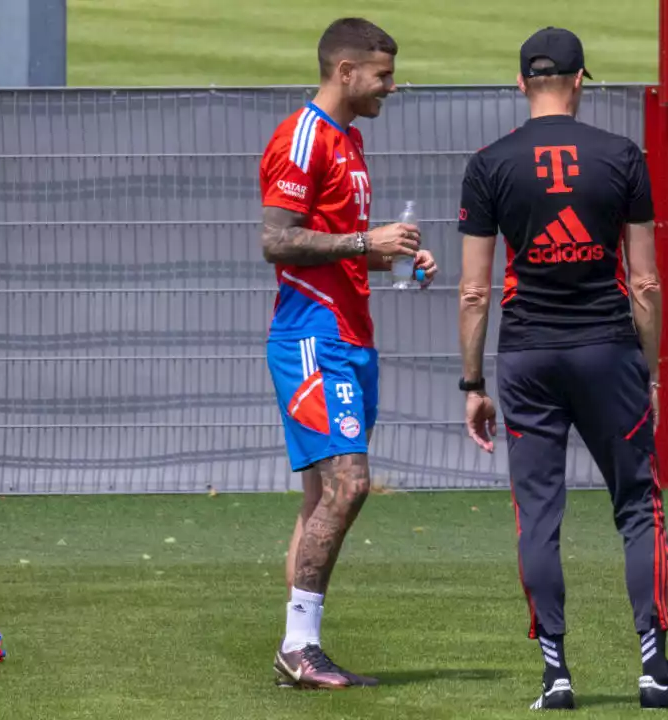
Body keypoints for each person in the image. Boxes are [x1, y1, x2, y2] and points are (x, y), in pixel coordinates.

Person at [456, 26, 668, 711]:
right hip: (606, 350)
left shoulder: (489, 163)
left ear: (520, 84)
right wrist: (647, 368)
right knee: (638, 506)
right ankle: (655, 670)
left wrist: (474, 384)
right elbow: (646, 283)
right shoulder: (622, 155)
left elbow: (476, 291)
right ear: (579, 80)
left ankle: (556, 674)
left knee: (537, 515)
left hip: (529, 357)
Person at [258, 17, 438, 690]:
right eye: (383, 75)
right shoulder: (303, 136)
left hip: (351, 334)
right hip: (313, 337)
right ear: (345, 72)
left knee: (319, 499)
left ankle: (297, 649)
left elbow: (339, 234)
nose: (391, 86)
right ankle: (299, 646)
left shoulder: (348, 140)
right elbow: (276, 240)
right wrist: (367, 243)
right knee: (349, 484)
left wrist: (399, 254)